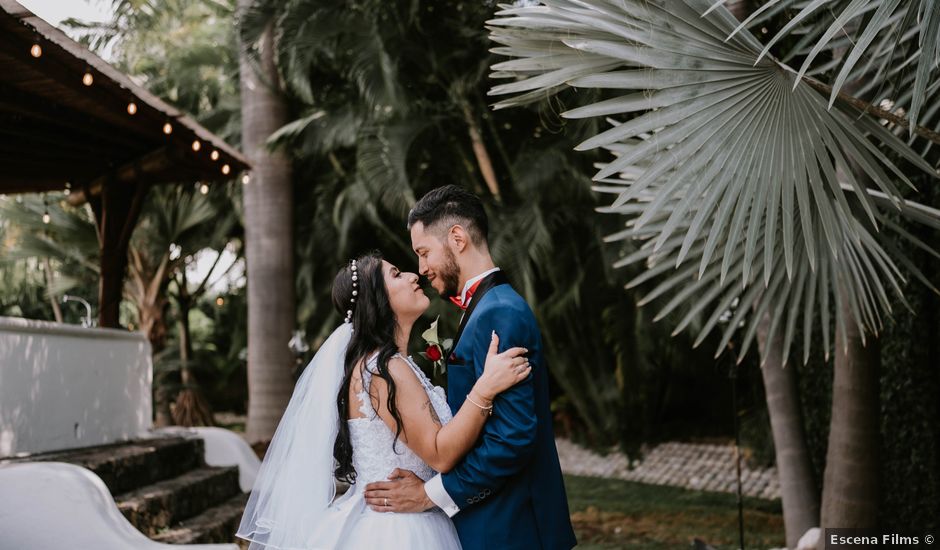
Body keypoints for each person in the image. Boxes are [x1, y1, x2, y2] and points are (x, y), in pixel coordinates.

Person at [236, 251, 531, 549]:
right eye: (396, 274)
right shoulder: (385, 370)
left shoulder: (388, 364)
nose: (413, 275)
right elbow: (440, 453)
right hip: (399, 531)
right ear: (378, 300)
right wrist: (484, 389)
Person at [363, 185, 577, 550]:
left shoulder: (499, 312)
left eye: (424, 252)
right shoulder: (484, 309)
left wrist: (431, 494)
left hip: (511, 527)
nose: (422, 268)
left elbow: (512, 438)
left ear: (457, 238)